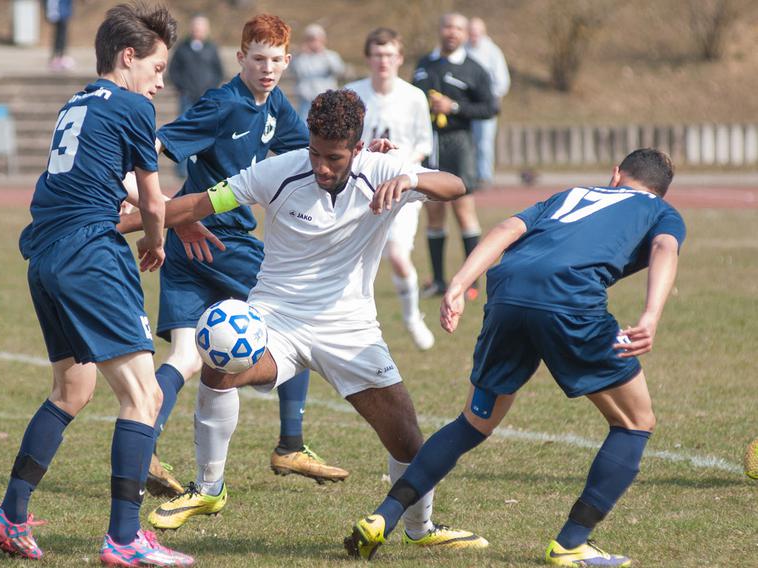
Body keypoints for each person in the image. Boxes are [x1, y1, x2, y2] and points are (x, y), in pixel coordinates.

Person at [147, 91, 489, 557]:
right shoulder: (279, 171)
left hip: (350, 329)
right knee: (218, 363)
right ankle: (209, 489)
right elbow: (199, 204)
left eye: (333, 157)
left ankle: (420, 526)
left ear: (357, 147)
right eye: (314, 153)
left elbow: (455, 184)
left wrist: (410, 178)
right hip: (276, 319)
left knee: (407, 437)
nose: (321, 166)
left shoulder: (384, 169)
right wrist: (119, 220)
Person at [346, 148, 685, 566]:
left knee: (474, 421)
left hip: (508, 292)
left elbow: (507, 228)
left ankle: (384, 516)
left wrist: (458, 284)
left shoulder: (571, 195)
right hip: (570, 301)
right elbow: (665, 250)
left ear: (616, 175)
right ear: (662, 192)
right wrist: (650, 316)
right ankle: (572, 542)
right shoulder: (661, 212)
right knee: (636, 422)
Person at [0, 4, 195, 566]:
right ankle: (126, 539)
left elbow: (95, 177)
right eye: (157, 65)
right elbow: (151, 199)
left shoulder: (76, 102)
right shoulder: (133, 106)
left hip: (45, 255)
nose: (161, 80)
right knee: (143, 396)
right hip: (88, 253)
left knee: (71, 391)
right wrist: (157, 241)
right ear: (129, 57)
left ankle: (11, 514)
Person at [118, 14, 350, 499]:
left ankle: (145, 452)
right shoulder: (223, 103)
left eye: (275, 61)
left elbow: (313, 154)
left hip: (189, 241)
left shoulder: (275, 105)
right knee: (296, 317)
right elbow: (154, 148)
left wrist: (368, 155)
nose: (266, 69)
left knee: (184, 356)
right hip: (220, 239)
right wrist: (150, 203)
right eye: (257, 59)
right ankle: (290, 442)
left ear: (288, 61)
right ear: (240, 57)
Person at [345, 28, 435, 350]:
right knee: (351, 260)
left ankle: (412, 318)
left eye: (389, 55)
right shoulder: (352, 94)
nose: (383, 61)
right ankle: (349, 324)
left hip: (403, 187)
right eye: (377, 54)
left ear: (399, 58)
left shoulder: (414, 96)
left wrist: (400, 168)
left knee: (398, 256)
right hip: (359, 188)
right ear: (369, 58)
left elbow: (424, 144)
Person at [413, 13, 497, 300]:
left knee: (464, 212)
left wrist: (455, 107)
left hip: (459, 144)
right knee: (433, 213)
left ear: (464, 34)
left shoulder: (474, 69)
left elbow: (490, 108)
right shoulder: (425, 63)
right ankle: (437, 281)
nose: (453, 32)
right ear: (440, 29)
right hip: (428, 143)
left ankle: (471, 282)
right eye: (448, 26)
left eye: (459, 28)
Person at [167, 14, 223, 178]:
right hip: (187, 98)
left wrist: (211, 89)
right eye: (195, 27)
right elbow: (173, 71)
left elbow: (219, 72)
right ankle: (182, 169)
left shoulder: (212, 48)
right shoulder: (182, 48)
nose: (198, 31)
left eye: (201, 28)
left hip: (207, 98)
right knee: (185, 132)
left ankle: (204, 168)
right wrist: (182, 88)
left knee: (206, 132)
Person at [467, 17, 510, 187]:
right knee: (467, 141)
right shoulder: (463, 50)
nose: (473, 37)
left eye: (476, 33)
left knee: (484, 142)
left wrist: (494, 98)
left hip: (485, 103)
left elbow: (502, 80)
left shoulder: (492, 51)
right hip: (466, 103)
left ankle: (484, 176)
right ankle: (468, 174)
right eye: (470, 33)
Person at [290, 24, 346, 118]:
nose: (314, 42)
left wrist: (322, 53)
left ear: (323, 40)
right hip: (306, 103)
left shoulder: (331, 56)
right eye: (310, 39)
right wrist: (299, 54)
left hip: (327, 103)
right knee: (304, 131)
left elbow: (339, 70)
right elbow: (294, 71)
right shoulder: (301, 57)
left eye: (316, 39)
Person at [47, 0, 74, 71]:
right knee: (60, 36)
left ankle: (59, 56)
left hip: (62, 13)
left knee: (61, 35)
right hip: (60, 13)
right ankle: (58, 57)